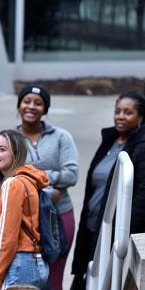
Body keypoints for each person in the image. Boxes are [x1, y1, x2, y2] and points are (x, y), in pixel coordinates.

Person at [71, 92, 145, 289]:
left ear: (140, 118)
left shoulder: (140, 147)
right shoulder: (109, 141)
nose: (120, 116)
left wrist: (123, 232)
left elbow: (141, 197)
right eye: (117, 111)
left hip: (114, 234)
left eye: (128, 113)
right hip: (91, 228)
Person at [15, 85, 78, 290]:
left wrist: (31, 174)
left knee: (55, 278)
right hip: (25, 220)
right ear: (19, 106)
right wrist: (50, 182)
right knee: (28, 278)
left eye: (38, 103)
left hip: (60, 215)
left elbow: (71, 174)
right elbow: (9, 175)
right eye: (27, 101)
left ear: (45, 109)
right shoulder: (11, 139)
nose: (31, 106)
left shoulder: (61, 136)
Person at [0, 129, 49, 290]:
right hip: (36, 262)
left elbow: (7, 238)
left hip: (19, 262)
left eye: (2, 149)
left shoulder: (12, 184)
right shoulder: (29, 180)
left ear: (16, 154)